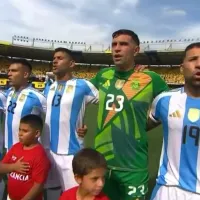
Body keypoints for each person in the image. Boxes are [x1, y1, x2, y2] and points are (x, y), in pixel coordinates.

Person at [90, 29, 169, 200]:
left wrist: (148, 123)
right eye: (114, 45)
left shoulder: (149, 78)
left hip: (133, 166)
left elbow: (170, 106)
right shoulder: (102, 75)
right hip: (102, 164)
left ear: (136, 50)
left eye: (123, 44)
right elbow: (78, 99)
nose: (117, 49)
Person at [149, 42, 200, 200]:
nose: (199, 64)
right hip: (167, 189)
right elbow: (138, 127)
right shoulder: (165, 100)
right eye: (193, 59)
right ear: (181, 67)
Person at [44, 47, 99, 191]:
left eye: (60, 58)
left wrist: (87, 126)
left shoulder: (83, 85)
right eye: (54, 58)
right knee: (52, 192)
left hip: (71, 153)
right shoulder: (49, 87)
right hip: (48, 150)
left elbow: (108, 104)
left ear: (72, 64)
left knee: (73, 194)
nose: (55, 61)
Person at [1, 114, 50, 200]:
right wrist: (13, 167)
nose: (20, 134)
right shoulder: (16, 147)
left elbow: (38, 186)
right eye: (19, 130)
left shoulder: (40, 156)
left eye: (25, 131)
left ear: (37, 133)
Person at [5, 58, 46, 150]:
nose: (9, 74)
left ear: (25, 74)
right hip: (9, 148)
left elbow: (53, 117)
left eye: (14, 71)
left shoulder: (37, 96)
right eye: (9, 71)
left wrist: (80, 128)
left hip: (26, 150)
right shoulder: (9, 93)